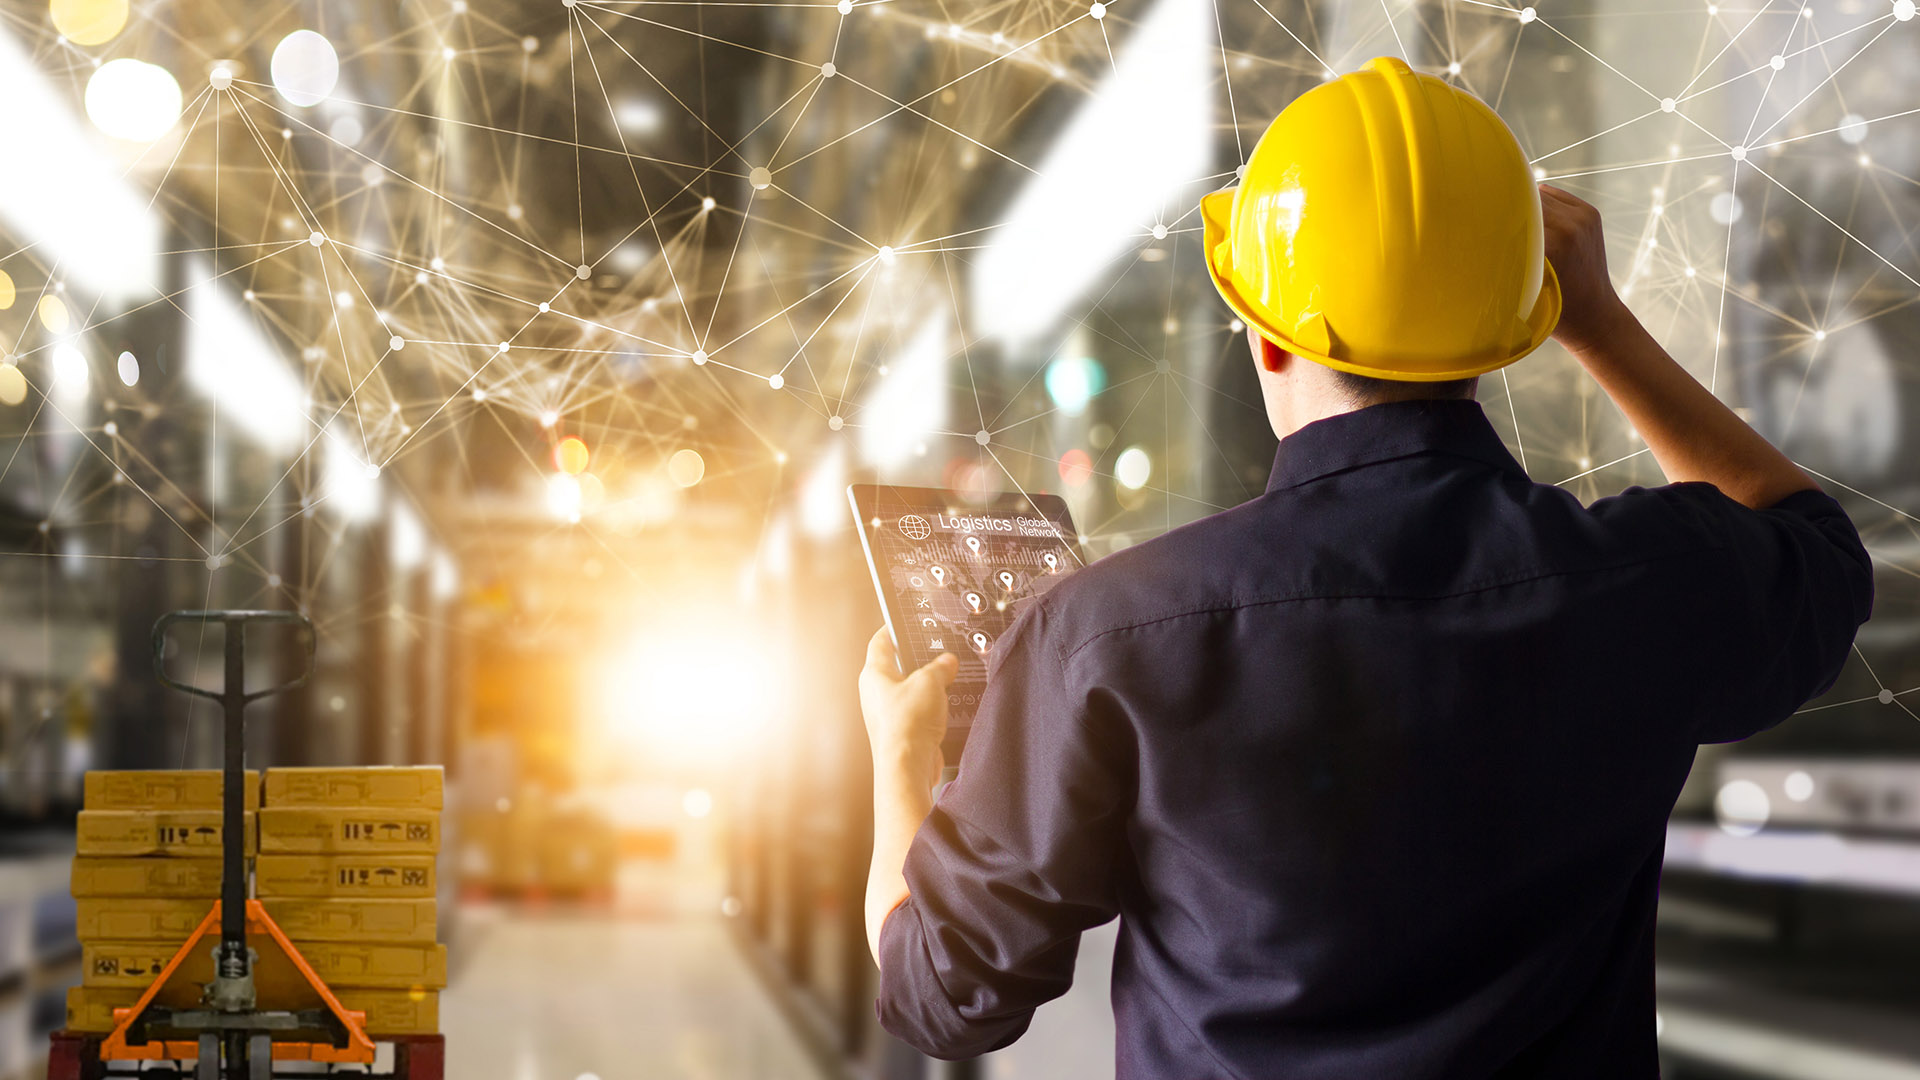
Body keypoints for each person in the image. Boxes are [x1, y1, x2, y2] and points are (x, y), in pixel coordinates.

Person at [856, 57, 1873, 1077]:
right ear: (1517, 324)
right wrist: (1601, 321)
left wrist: (901, 764)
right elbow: (1817, 548)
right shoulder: (1646, 581)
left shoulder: (1103, 637)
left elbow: (943, 995)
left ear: (1264, 337)